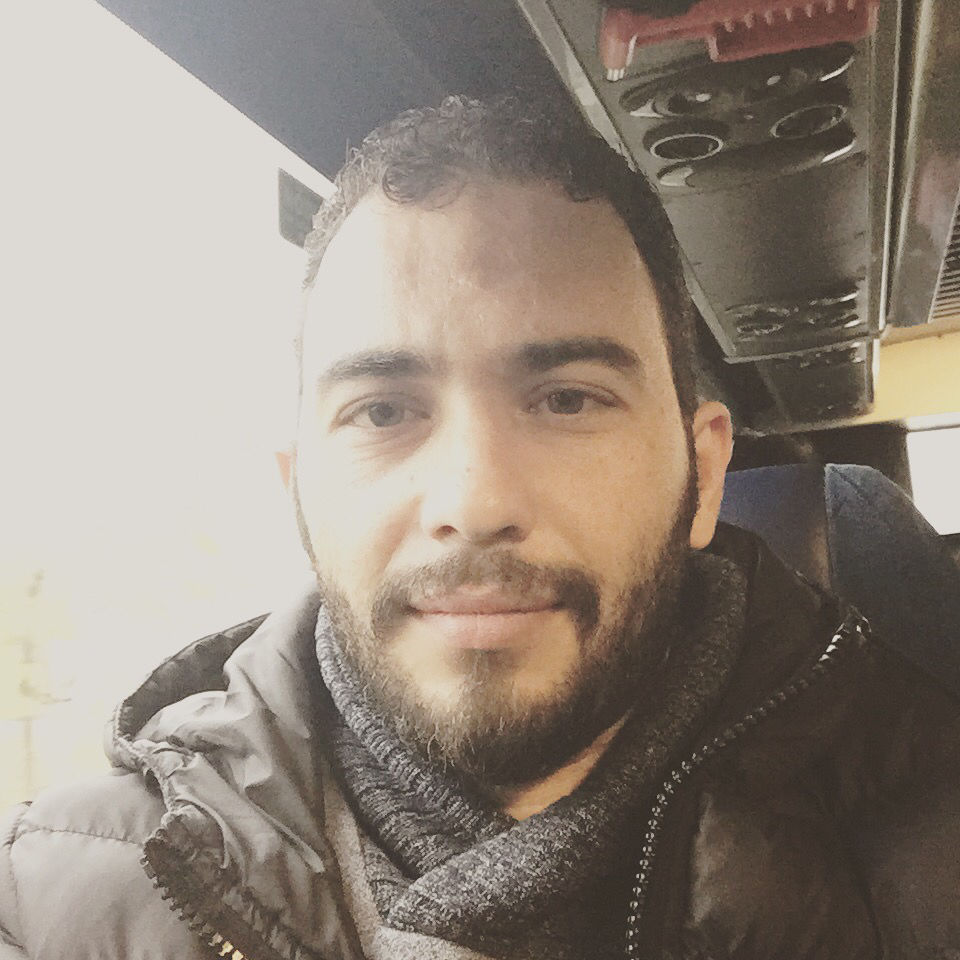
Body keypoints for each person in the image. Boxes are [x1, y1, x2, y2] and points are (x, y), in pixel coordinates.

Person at [2, 94, 959, 960]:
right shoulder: (56, 907)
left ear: (703, 474)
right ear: (300, 495)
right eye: (382, 411)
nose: (475, 501)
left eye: (569, 399)